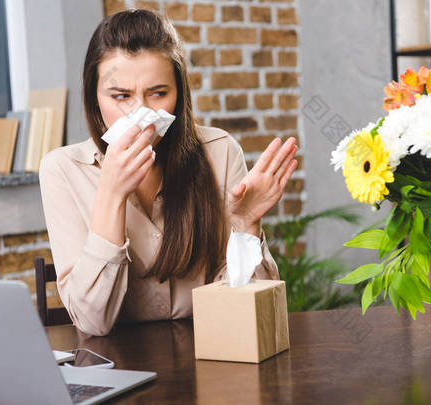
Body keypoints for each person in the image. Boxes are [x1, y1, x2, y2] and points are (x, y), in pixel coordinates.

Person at [39, 9, 298, 336]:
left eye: (158, 93)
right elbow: (93, 322)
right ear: (94, 97)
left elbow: (246, 311)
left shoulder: (220, 151)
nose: (140, 114)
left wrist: (246, 227)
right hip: (118, 367)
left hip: (210, 355)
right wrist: (111, 194)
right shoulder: (62, 170)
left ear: (179, 94)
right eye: (120, 96)